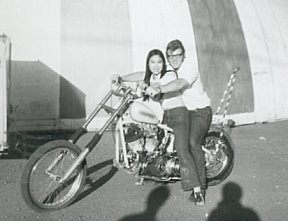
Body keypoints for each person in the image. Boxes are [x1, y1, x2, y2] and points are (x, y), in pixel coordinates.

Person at [146, 39, 212, 206]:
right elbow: (145, 74)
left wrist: (159, 89)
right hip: (184, 112)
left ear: (183, 55)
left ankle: (200, 188)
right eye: (171, 56)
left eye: (177, 55)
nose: (174, 59)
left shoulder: (188, 68)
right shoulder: (170, 70)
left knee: (192, 143)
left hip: (199, 111)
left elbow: (180, 83)